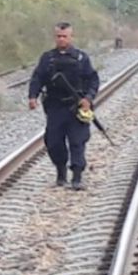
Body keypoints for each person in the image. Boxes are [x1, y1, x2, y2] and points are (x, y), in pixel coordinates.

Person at [28, 22, 100, 190]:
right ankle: (61, 174)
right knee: (53, 142)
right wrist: (33, 96)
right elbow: (38, 78)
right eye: (58, 36)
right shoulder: (48, 58)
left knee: (77, 141)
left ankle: (77, 177)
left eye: (64, 36)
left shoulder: (82, 58)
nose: (61, 39)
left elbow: (93, 80)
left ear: (71, 37)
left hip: (76, 107)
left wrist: (88, 99)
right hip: (55, 107)